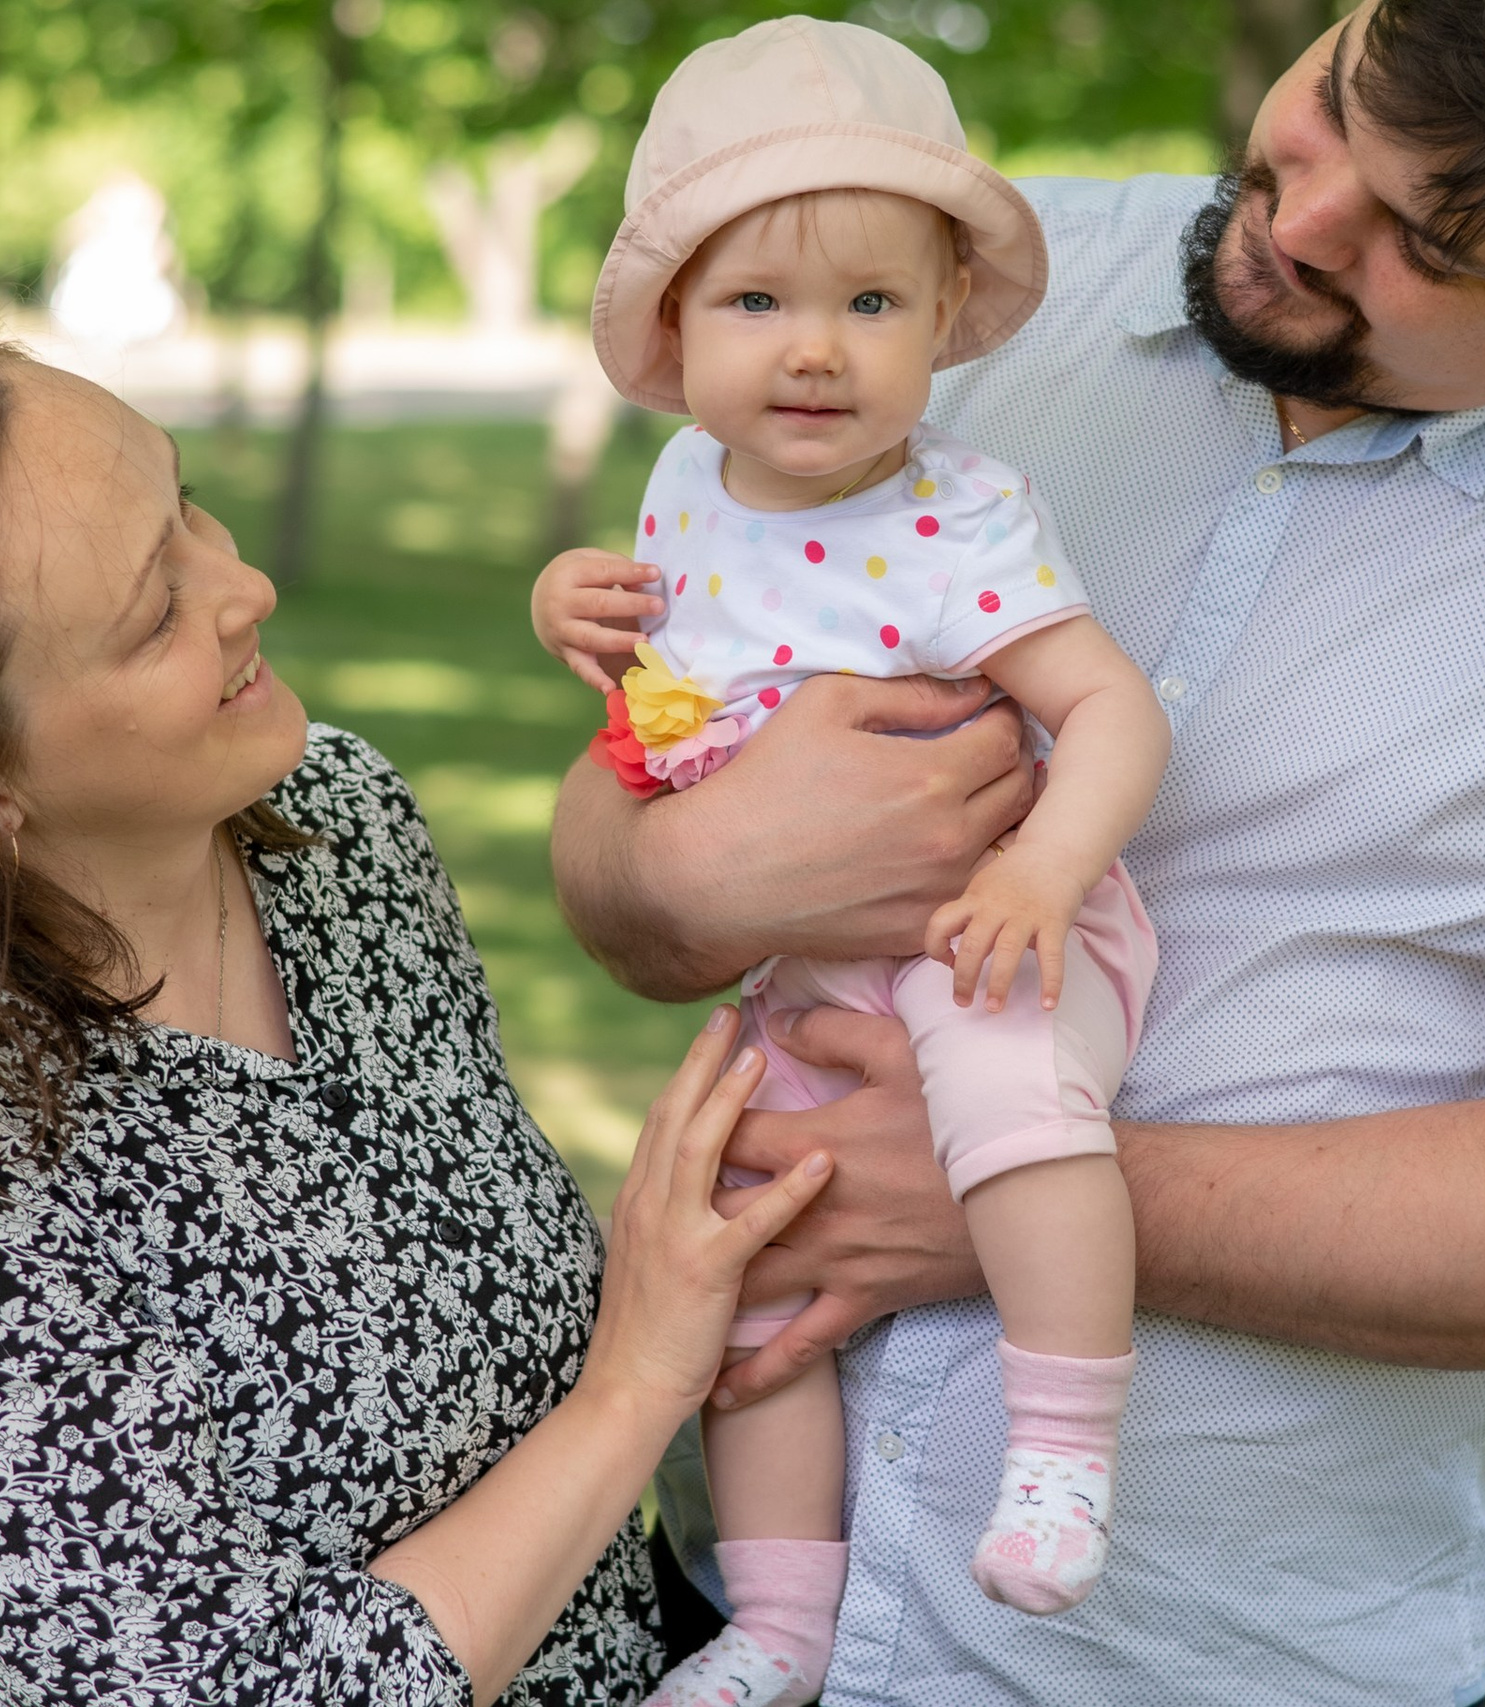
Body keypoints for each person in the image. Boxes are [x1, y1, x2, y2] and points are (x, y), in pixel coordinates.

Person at [548, 1, 1485, 1701]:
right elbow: (637, 804)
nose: (1305, 217)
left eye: (1432, 239)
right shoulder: (953, 279)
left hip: (1216, 1667)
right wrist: (683, 881)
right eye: (1333, 107)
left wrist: (1013, 1195)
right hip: (718, 1600)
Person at [0, 327, 837, 1707]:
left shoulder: (335, 833)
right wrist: (635, 1381)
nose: (244, 584)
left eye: (184, 504)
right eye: (152, 615)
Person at [531, 22, 1170, 1705]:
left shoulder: (962, 515)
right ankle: (782, 1626)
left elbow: (1112, 713)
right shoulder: (682, 486)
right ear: (674, 330)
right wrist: (569, 614)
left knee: (1016, 1107)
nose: (814, 353)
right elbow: (669, 718)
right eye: (758, 305)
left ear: (947, 322)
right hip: (801, 968)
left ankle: (1062, 1446)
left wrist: (1037, 876)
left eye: (870, 306)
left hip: (996, 925)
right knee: (738, 1261)